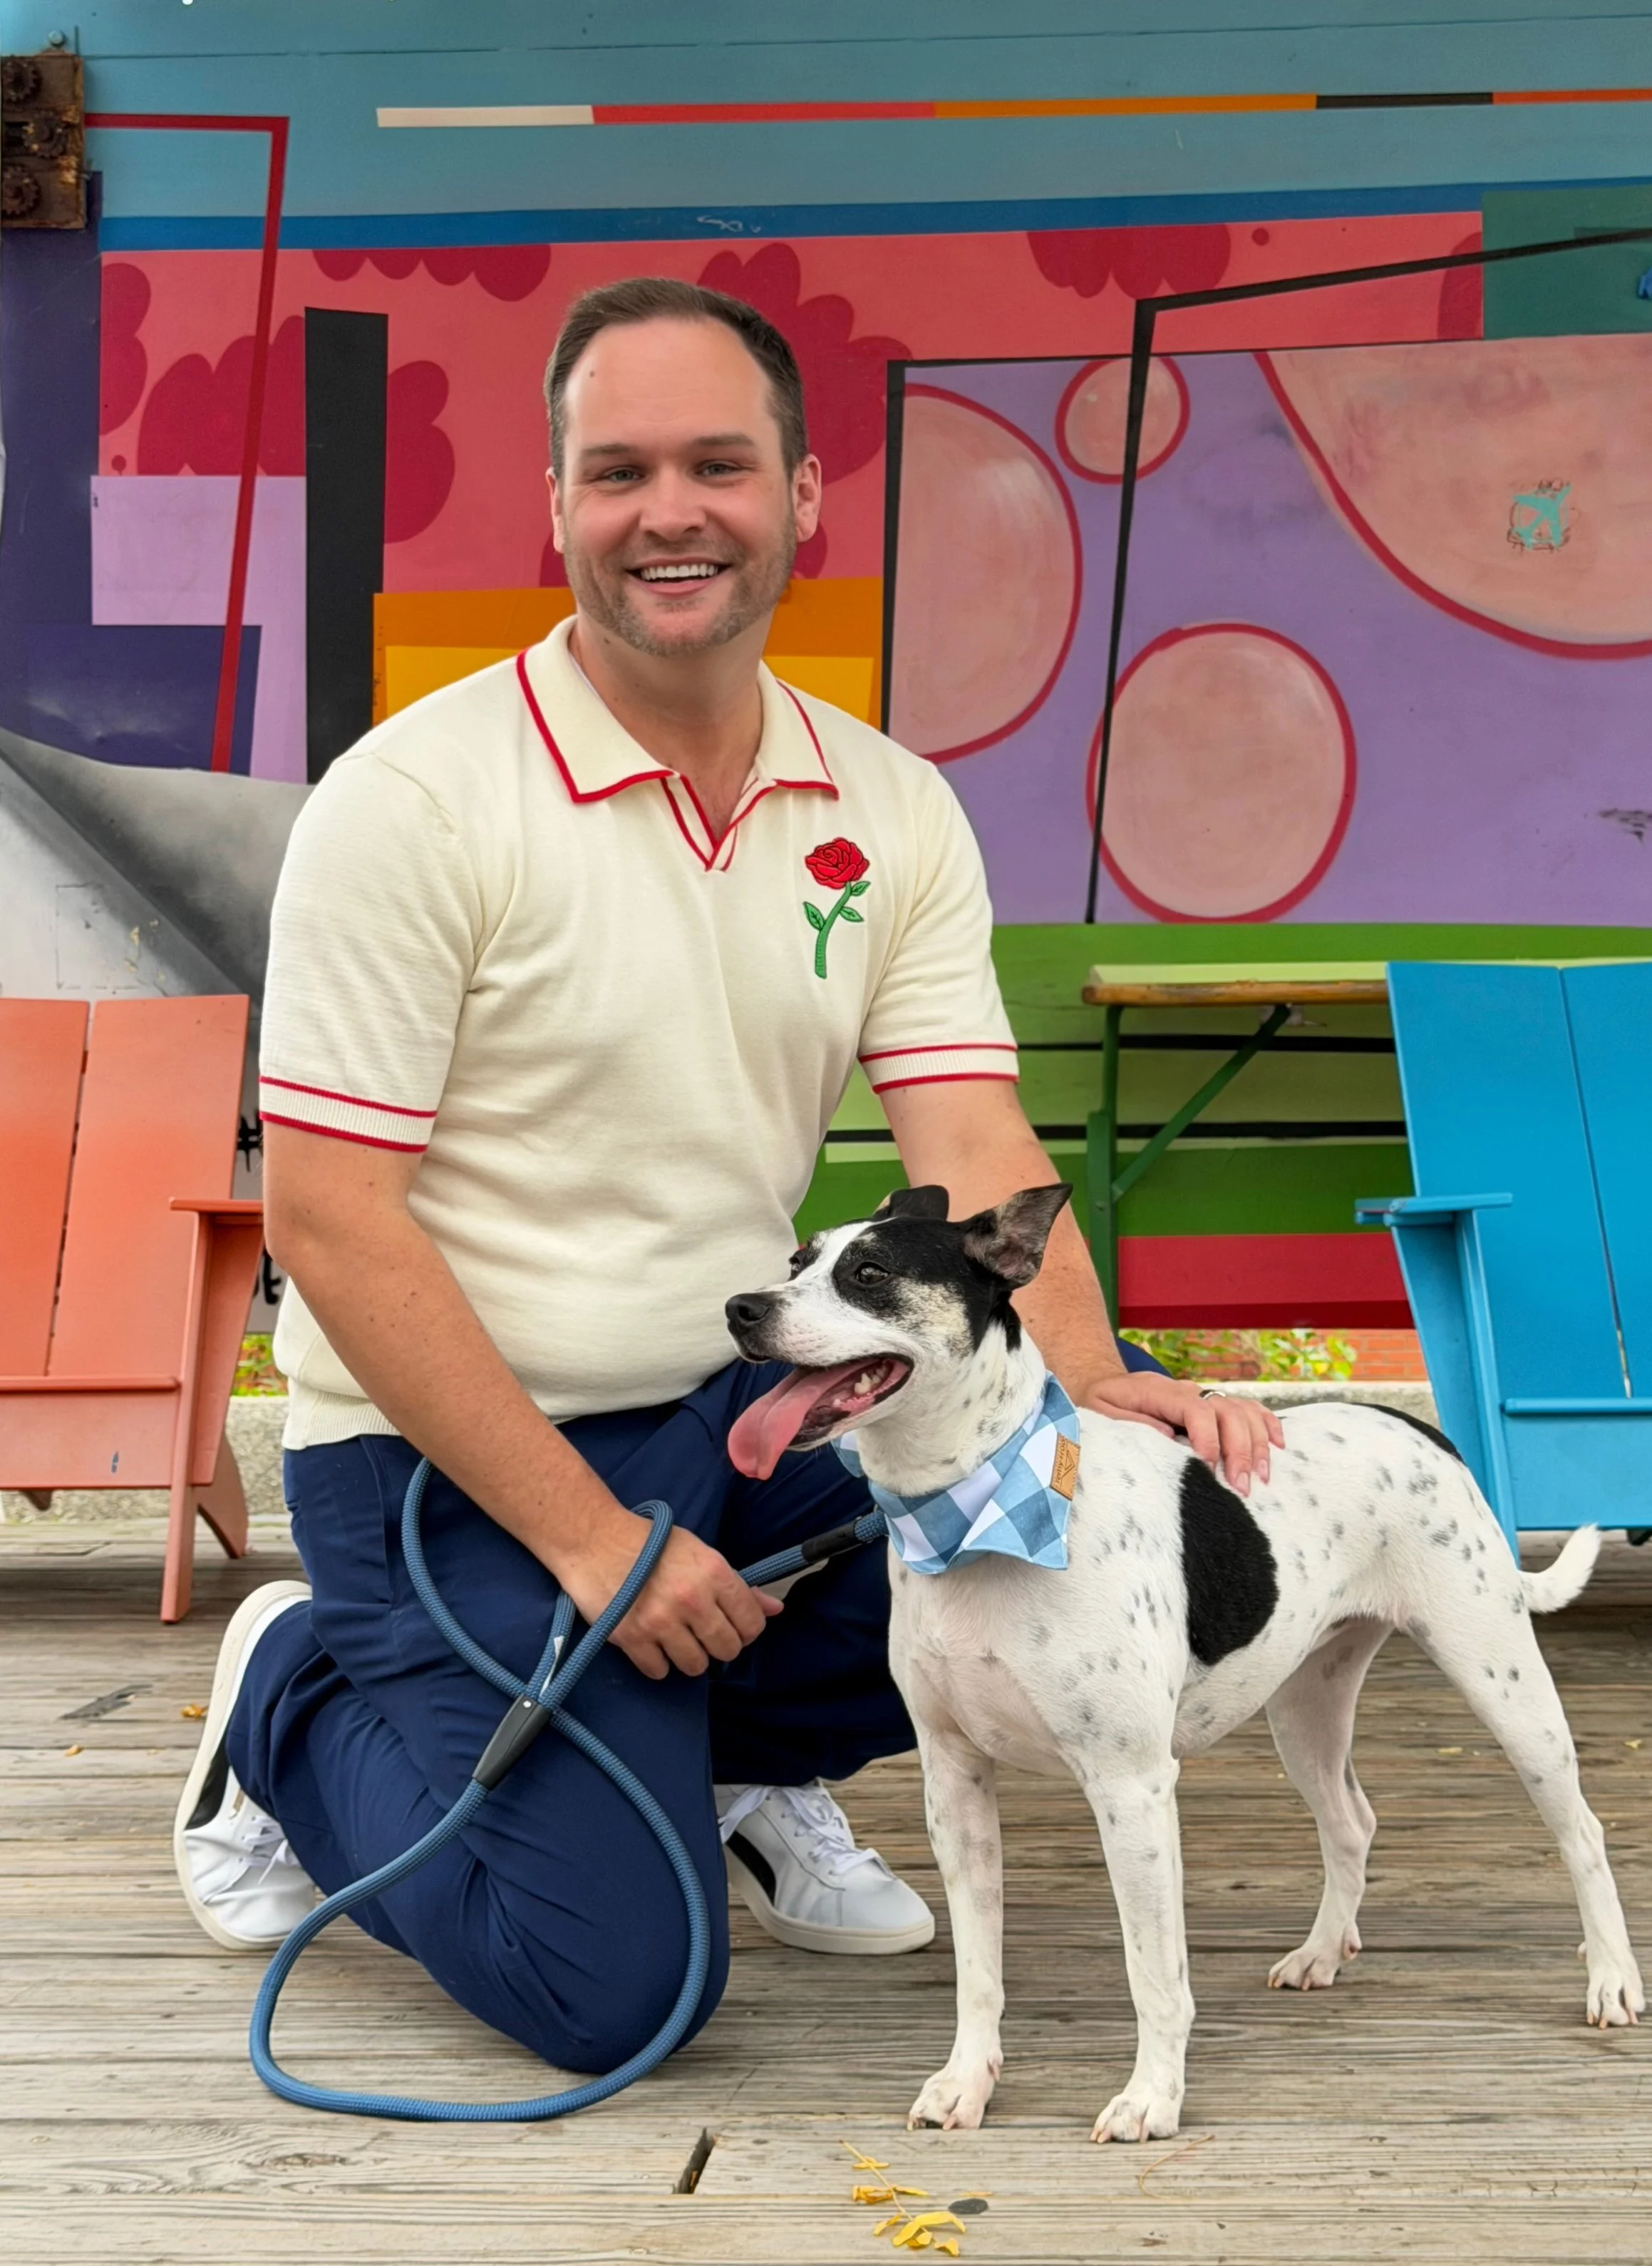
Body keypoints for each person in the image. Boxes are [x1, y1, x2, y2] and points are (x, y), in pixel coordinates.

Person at [172, 277, 1281, 2072]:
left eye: (716, 463)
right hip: (446, 1457)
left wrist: (1102, 1384)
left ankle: (724, 1758)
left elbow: (975, 1150)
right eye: (616, 471)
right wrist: (600, 1541)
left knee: (1034, 1575)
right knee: (614, 1986)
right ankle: (294, 1704)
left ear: (802, 492)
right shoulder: (415, 802)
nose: (668, 511)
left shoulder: (890, 807)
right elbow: (328, 1217)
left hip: (731, 1415)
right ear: (555, 505)